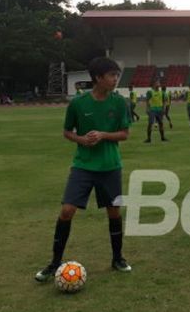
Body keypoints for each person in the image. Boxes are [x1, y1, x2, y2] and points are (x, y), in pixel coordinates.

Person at [34, 56, 132, 282]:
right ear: (98, 78)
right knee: (67, 211)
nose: (116, 79)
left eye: (117, 75)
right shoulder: (78, 103)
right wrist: (81, 139)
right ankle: (54, 263)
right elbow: (67, 132)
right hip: (83, 166)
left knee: (114, 212)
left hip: (110, 166)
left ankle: (118, 258)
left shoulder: (119, 103)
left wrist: (103, 135)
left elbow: (125, 134)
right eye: (111, 75)